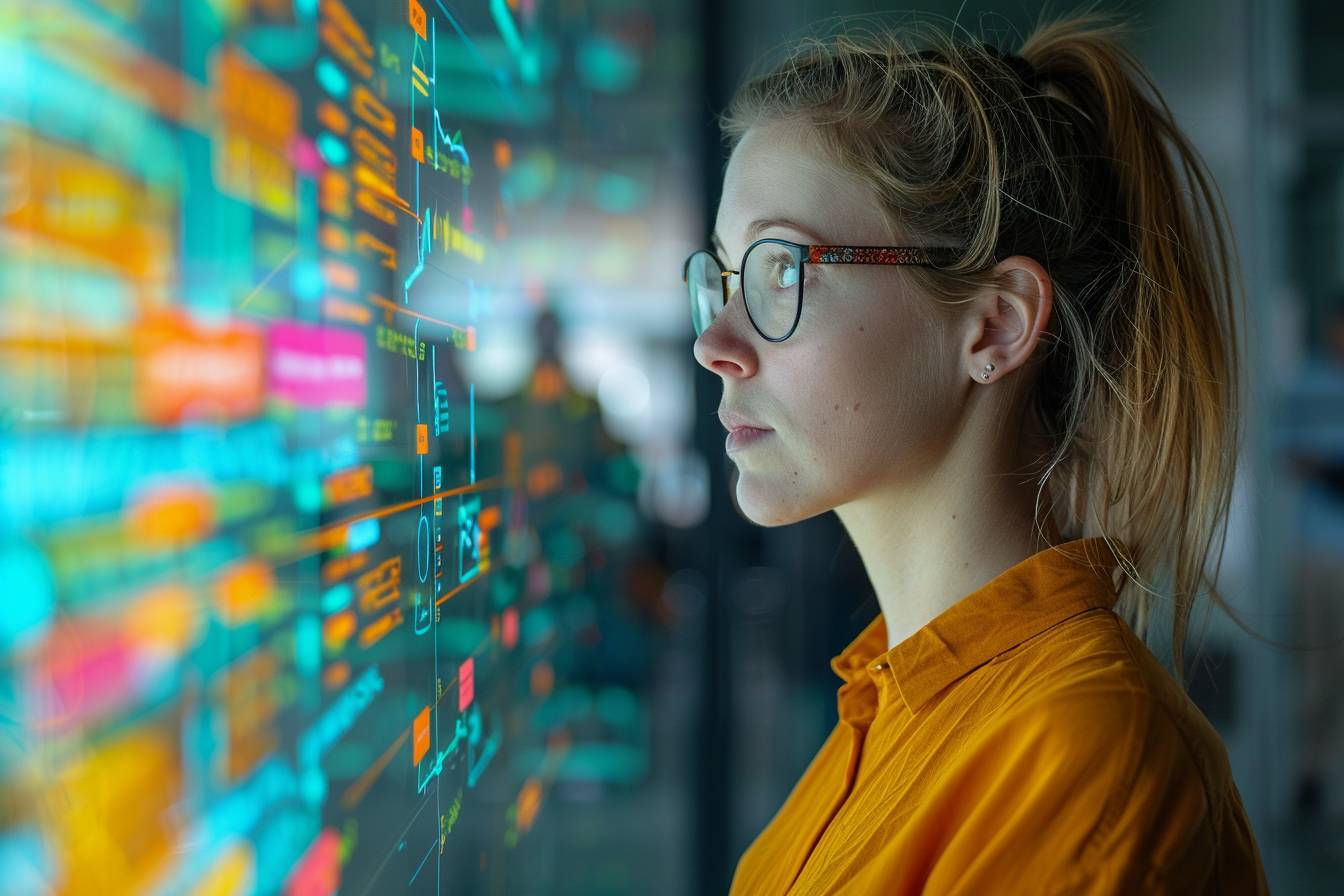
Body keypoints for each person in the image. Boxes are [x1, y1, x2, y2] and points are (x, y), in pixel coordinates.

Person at [684, 9, 1269, 894]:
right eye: (723, 278)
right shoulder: (887, 707)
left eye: (784, 270)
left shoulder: (1085, 754)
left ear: (994, 324)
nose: (715, 341)